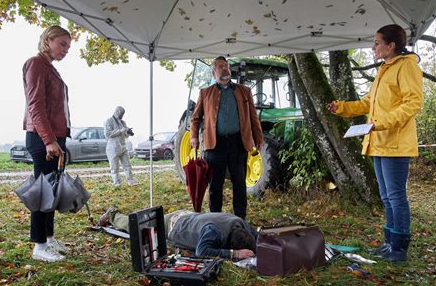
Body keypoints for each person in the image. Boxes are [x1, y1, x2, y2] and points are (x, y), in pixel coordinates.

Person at [327, 24, 423, 262]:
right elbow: (368, 103)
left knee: (396, 196)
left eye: (377, 43)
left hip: (395, 143)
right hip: (378, 142)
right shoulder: (384, 69)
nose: (373, 47)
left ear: (391, 46)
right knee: (386, 196)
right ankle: (389, 243)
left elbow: (413, 103)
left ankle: (399, 249)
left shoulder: (407, 66)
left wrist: (381, 123)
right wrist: (342, 107)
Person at [190, 56, 264, 220]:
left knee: (239, 184)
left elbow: (253, 117)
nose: (224, 69)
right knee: (215, 186)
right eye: (220, 66)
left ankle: (240, 219)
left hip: (238, 143)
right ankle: (216, 219)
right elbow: (195, 118)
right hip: (214, 145)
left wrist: (258, 137)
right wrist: (193, 136)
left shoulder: (244, 91)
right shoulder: (205, 93)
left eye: (226, 66)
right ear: (213, 71)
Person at [23, 25, 72, 262]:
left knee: (52, 190)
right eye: (62, 44)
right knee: (43, 192)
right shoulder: (36, 64)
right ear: (47, 39)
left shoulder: (50, 68)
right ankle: (39, 245)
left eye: (68, 47)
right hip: (42, 139)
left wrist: (59, 139)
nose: (65, 50)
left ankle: (50, 239)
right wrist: (50, 140)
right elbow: (36, 106)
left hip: (55, 138)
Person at [99, 207, 257, 260]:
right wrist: (235, 254)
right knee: (134, 226)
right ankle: (113, 214)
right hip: (173, 224)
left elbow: (255, 234)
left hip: (188, 216)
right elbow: (202, 251)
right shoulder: (214, 233)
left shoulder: (239, 223)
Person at [104, 106, 137, 186]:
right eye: (121, 113)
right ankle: (117, 183)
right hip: (113, 147)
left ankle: (131, 181)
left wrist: (128, 132)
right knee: (114, 167)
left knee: (127, 165)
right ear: (117, 112)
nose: (122, 115)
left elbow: (125, 136)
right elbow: (107, 134)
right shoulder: (108, 121)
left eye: (123, 114)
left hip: (123, 146)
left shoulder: (123, 122)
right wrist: (120, 131)